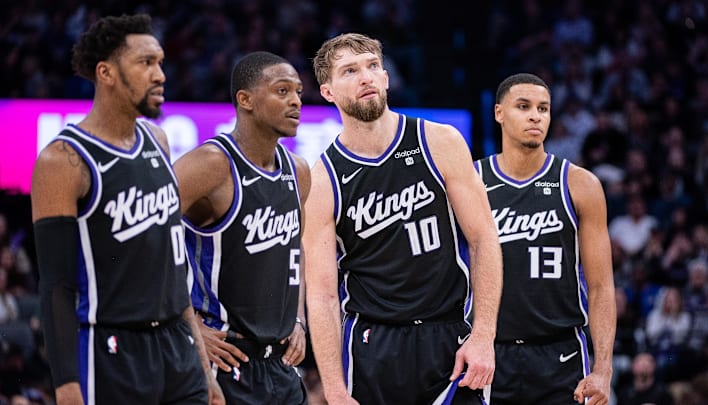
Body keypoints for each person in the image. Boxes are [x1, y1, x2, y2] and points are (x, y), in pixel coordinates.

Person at [30, 14, 223, 405]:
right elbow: (56, 286)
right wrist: (67, 384)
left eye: (161, 62)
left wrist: (203, 366)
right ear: (106, 73)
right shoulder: (63, 161)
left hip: (178, 346)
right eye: (146, 63)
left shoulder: (158, 140)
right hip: (112, 349)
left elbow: (174, 267)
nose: (160, 75)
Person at [303, 32, 503, 404]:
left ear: (386, 77)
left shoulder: (439, 141)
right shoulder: (322, 179)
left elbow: (483, 238)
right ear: (327, 91)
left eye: (373, 66)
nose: (365, 77)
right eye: (349, 71)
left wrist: (483, 335)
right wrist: (332, 388)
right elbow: (323, 295)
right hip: (372, 345)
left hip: (450, 336)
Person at [173, 51, 310, 404]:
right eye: (282, 91)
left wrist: (298, 319)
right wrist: (186, 326)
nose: (295, 100)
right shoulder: (210, 165)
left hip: (280, 367)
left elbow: (296, 253)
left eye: (297, 91)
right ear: (245, 100)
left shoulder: (298, 170)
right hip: (220, 360)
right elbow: (143, 241)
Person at [475, 72, 615, 404]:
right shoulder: (472, 181)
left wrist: (604, 368)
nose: (535, 115)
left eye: (543, 108)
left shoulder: (580, 185)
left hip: (561, 354)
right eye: (523, 106)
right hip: (491, 353)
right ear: (498, 113)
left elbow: (601, 286)